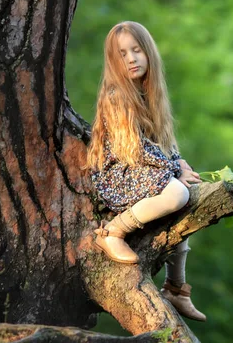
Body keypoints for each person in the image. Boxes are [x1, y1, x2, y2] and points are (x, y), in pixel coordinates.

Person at [85, 21, 206, 322]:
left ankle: (176, 288)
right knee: (177, 193)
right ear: (114, 62)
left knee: (186, 195)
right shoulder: (117, 96)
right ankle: (113, 232)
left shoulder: (150, 93)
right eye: (123, 54)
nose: (131, 59)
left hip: (143, 169)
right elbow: (135, 150)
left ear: (148, 52)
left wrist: (181, 162)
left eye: (136, 50)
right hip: (119, 175)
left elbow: (164, 142)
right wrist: (173, 169)